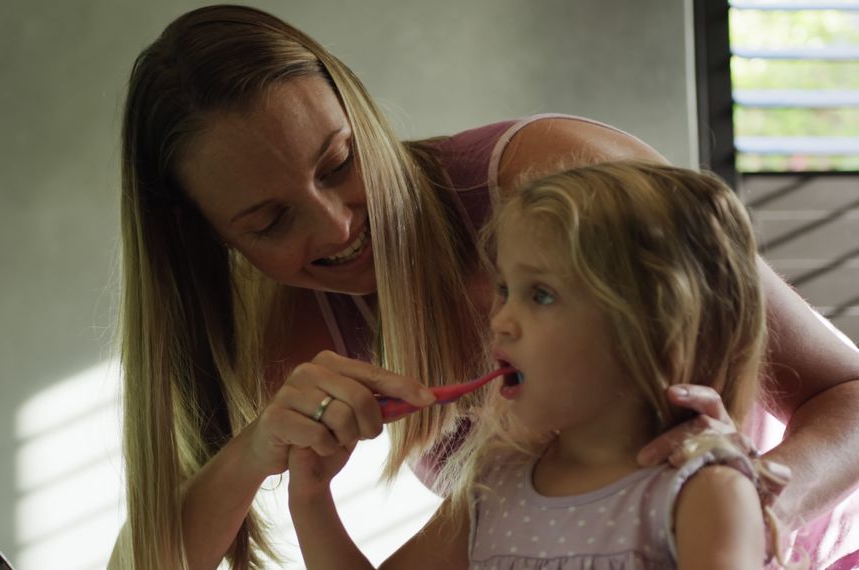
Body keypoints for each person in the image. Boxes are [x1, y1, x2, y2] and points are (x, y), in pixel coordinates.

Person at [110, 5, 859, 569]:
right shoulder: (496, 484)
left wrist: (751, 511)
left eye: (339, 163)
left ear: (362, 114)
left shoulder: (555, 183)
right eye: (271, 222)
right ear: (214, 243)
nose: (337, 228)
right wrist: (270, 461)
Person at [287, 161, 790, 570]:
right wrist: (311, 500)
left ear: (655, 328)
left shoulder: (704, 491)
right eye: (505, 290)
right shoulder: (495, 483)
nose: (501, 320)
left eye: (541, 295)